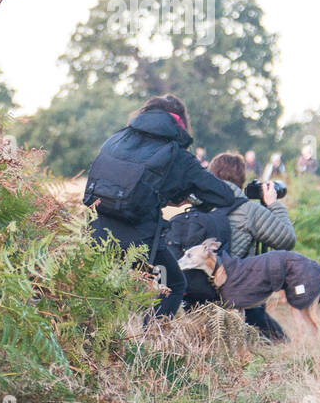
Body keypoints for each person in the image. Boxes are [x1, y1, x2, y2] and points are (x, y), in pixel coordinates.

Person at [83, 95, 235, 319]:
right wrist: (188, 199)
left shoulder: (116, 139)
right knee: (173, 284)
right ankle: (147, 342)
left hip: (96, 230)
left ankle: (93, 343)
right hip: (140, 237)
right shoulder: (177, 155)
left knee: (105, 293)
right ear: (180, 123)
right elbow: (224, 196)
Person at [204, 152, 297, 342]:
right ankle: (279, 343)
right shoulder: (249, 211)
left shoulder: (201, 205)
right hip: (235, 288)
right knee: (278, 339)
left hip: (201, 285)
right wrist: (273, 205)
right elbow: (287, 239)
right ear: (241, 180)